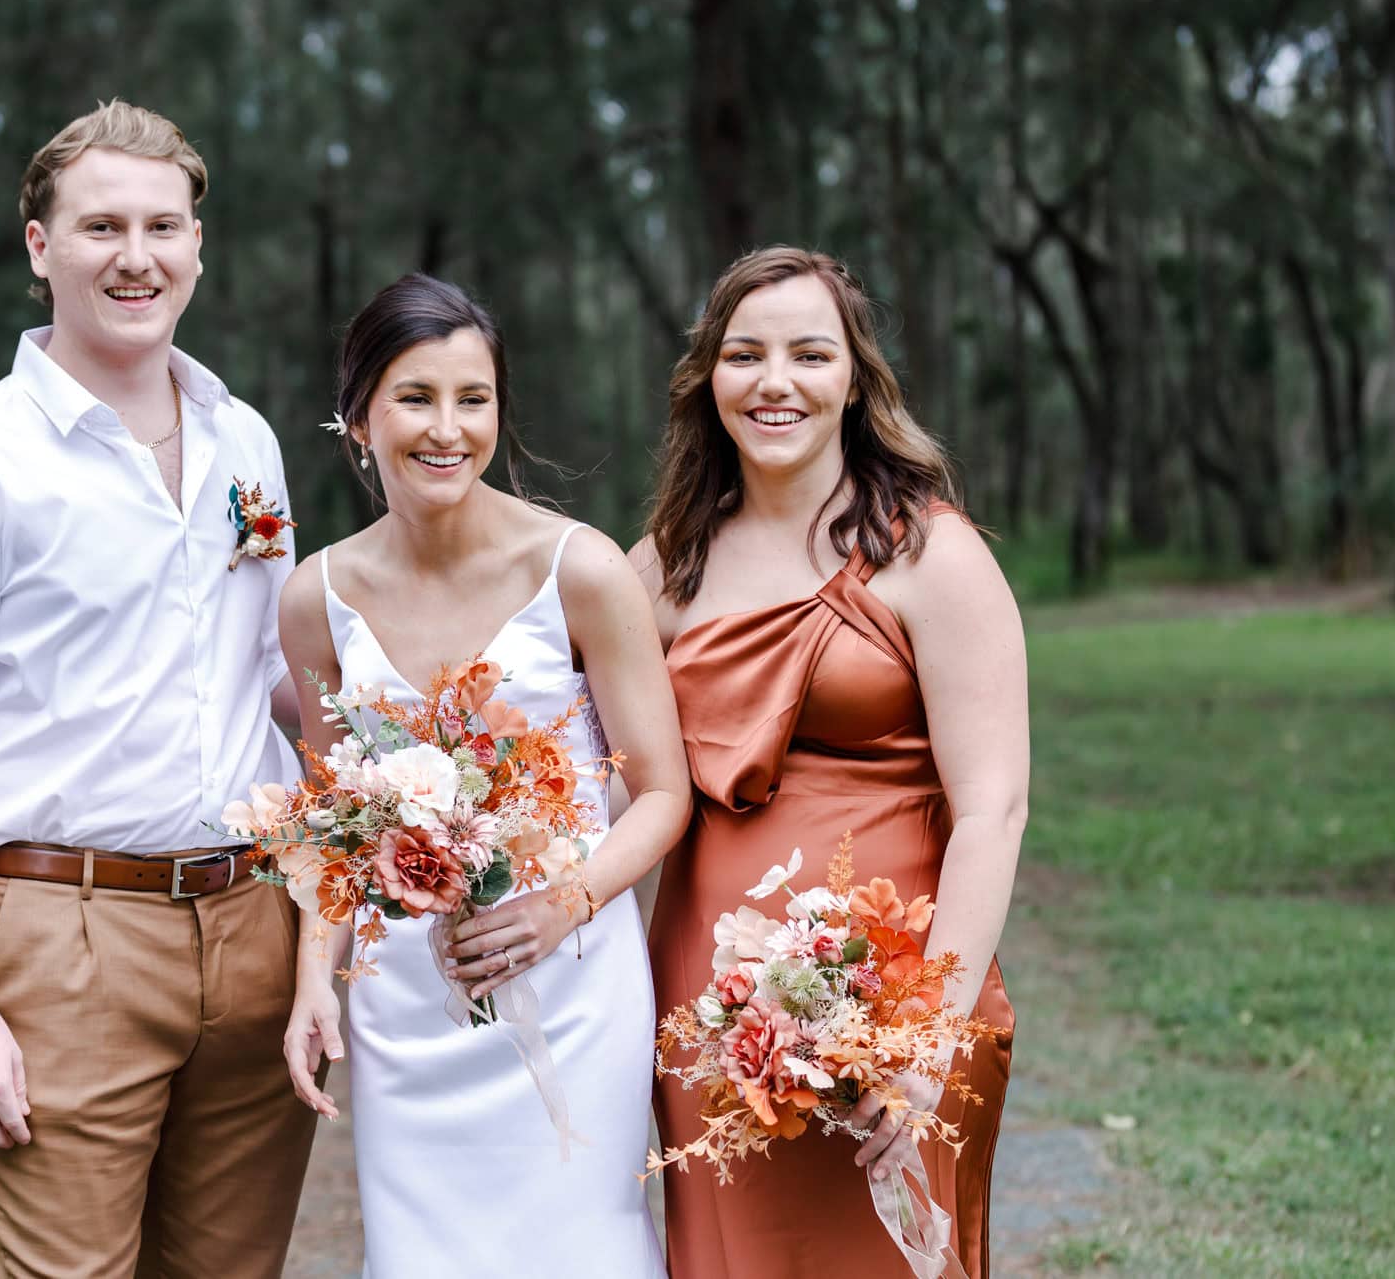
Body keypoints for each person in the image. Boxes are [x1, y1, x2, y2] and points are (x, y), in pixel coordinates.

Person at [0, 100, 314, 1278]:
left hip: (253, 920)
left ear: (198, 248)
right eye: (101, 225)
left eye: (164, 226)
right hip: (65, 936)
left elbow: (269, 671)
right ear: (37, 247)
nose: (136, 256)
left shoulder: (246, 444)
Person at [275, 273, 690, 1277]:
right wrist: (310, 985)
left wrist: (565, 903)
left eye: (473, 399)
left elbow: (666, 792)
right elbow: (330, 826)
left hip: (570, 976)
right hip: (407, 997)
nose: (446, 429)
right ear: (359, 416)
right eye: (415, 397)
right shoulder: (313, 598)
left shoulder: (579, 572)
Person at [633, 246, 1026, 1278]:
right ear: (705, 378)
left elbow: (993, 810)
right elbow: (547, 703)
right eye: (744, 354)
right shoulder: (666, 562)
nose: (774, 382)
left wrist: (928, 1042)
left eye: (808, 354)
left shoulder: (927, 553)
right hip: (705, 998)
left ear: (853, 376)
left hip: (890, 999)